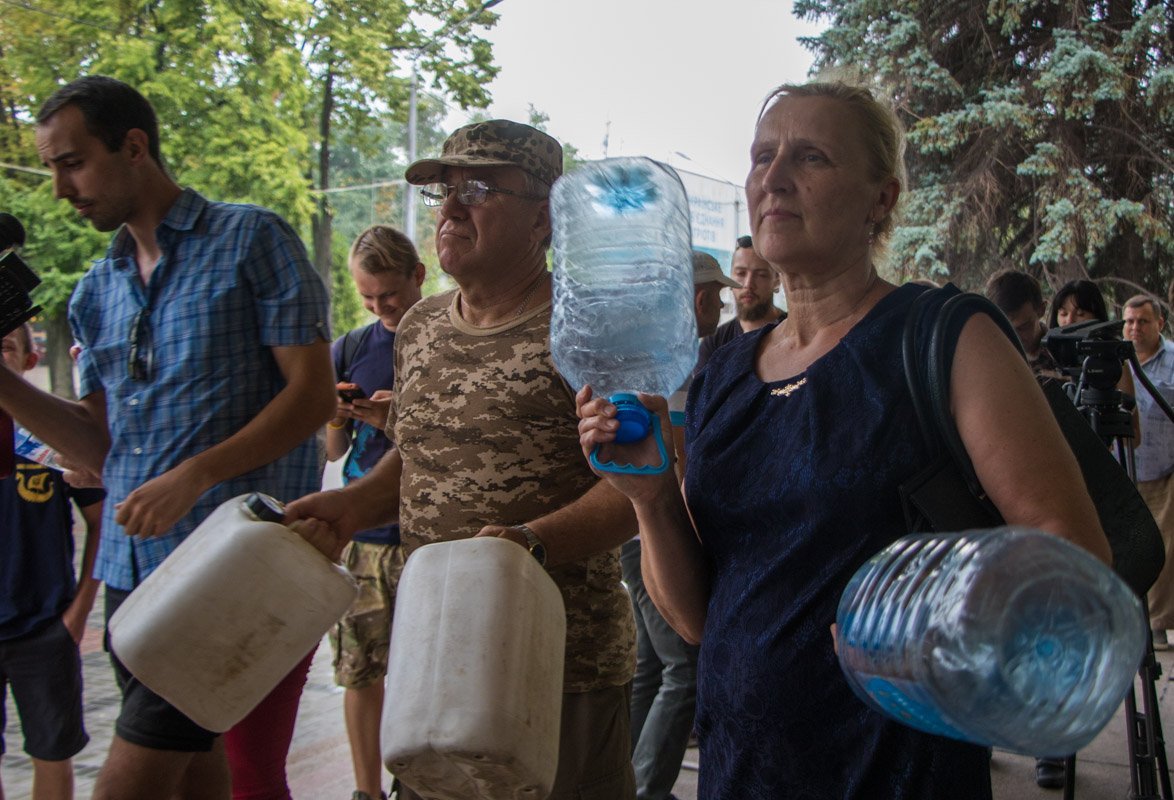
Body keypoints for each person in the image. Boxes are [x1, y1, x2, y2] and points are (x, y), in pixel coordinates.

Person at [576, 81, 1112, 800]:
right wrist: (650, 499)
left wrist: (923, 628)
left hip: (897, 774)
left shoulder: (943, 335)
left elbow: (1072, 553)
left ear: (880, 198)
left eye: (811, 157)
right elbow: (703, 620)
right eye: (763, 156)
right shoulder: (721, 371)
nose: (774, 176)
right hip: (743, 773)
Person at [0, 76, 336, 800]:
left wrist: (196, 473)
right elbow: (99, 450)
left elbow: (311, 399)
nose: (59, 187)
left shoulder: (253, 239)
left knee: (132, 780)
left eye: (71, 162)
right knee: (194, 776)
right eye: (52, 166)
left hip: (231, 569)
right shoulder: (96, 290)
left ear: (133, 147)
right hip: (132, 570)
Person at [286, 119, 639, 800]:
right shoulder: (419, 327)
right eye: (442, 192)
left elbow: (636, 489)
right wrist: (350, 505)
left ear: (544, 216)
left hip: (559, 667)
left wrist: (528, 546)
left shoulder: (594, 329)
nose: (449, 209)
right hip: (435, 658)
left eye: (477, 189)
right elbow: (419, 458)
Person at [621, 251, 736, 800]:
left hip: (639, 533)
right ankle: (645, 789)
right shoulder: (675, 364)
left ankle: (625, 781)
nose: (719, 305)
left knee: (651, 667)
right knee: (685, 671)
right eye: (715, 296)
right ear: (695, 299)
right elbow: (682, 460)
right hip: (658, 537)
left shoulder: (662, 356)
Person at [325, 225, 424, 800]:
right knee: (360, 672)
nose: (380, 307)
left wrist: (399, 415)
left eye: (388, 294)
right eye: (368, 297)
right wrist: (337, 414)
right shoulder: (354, 347)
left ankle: (413, 785)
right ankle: (367, 792)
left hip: (423, 533)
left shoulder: (444, 335)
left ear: (417, 275)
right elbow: (335, 453)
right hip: (365, 535)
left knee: (422, 674)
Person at [0, 324, 105, 800]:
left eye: (5, 347)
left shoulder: (53, 437)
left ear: (28, 359)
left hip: (43, 628)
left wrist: (78, 611)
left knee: (51, 753)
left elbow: (104, 520)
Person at [1124, 295, 1174, 651]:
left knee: (1166, 550)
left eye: (1142, 321)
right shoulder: (1116, 362)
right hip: (1125, 472)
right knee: (1134, 548)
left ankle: (1158, 625)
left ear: (1160, 324)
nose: (1134, 328)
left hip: (1167, 472)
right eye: (1129, 321)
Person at [695, 235, 785, 375]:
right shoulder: (715, 342)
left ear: (777, 281)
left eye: (761, 275)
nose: (748, 284)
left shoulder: (795, 334)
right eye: (741, 273)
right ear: (730, 277)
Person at [984, 270, 1063, 379]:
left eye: (1022, 327)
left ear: (1041, 310)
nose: (1013, 337)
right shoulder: (985, 360)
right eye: (1003, 330)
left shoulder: (1063, 355)